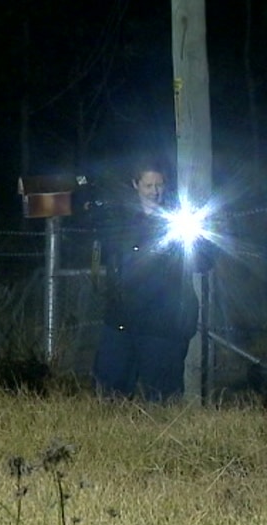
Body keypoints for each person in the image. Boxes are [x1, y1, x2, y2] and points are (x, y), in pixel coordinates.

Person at [90, 156, 213, 401]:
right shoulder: (120, 220)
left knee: (161, 396)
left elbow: (204, 261)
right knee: (110, 391)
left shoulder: (178, 218)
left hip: (163, 322)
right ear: (135, 184)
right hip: (122, 318)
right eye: (149, 186)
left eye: (159, 185)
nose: (155, 191)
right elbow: (105, 257)